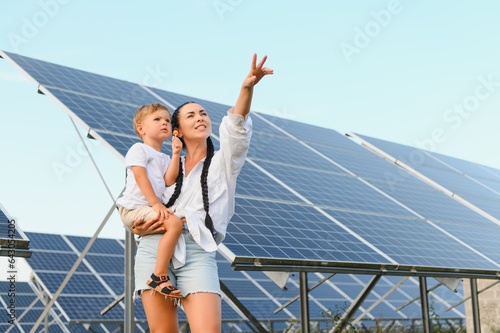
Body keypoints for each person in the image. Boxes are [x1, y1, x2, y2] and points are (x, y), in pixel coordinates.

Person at [131, 54, 273, 333]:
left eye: (203, 113)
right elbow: (138, 197)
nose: (200, 118)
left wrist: (246, 89)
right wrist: (138, 222)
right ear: (177, 131)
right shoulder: (164, 166)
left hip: (198, 249)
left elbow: (236, 128)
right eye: (190, 115)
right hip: (153, 246)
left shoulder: (224, 162)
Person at [116, 103, 183, 298]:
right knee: (174, 223)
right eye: (157, 119)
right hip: (134, 208)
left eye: (167, 121)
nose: (164, 123)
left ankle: (160, 271)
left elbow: (169, 180)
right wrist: (156, 203)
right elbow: (140, 177)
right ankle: (159, 275)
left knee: (171, 225)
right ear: (141, 128)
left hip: (146, 207)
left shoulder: (164, 156)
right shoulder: (139, 149)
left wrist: (176, 154)